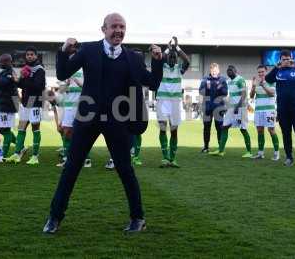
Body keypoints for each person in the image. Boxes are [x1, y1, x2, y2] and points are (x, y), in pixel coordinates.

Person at [43, 13, 163, 234]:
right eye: (114, 26)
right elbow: (62, 72)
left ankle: (138, 218)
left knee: (125, 169)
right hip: (87, 118)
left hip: (118, 121)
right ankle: (54, 218)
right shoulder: (88, 50)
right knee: (71, 168)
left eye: (122, 27)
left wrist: (157, 61)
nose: (118, 30)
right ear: (103, 29)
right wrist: (63, 50)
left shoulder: (133, 58)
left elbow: (153, 83)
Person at [265, 50, 295, 167]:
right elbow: (268, 79)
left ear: (292, 59)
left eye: (288, 59)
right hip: (283, 109)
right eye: (284, 59)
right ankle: (289, 158)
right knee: (286, 133)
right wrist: (276, 68)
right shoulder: (278, 72)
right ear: (280, 60)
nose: (286, 61)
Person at [6, 47, 46, 165]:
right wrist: (15, 80)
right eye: (27, 54)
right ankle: (17, 154)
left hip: (35, 102)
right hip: (25, 102)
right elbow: (23, 86)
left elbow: (39, 86)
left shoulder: (40, 70)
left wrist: (27, 77)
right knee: (21, 128)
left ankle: (35, 156)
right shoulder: (26, 69)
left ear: (36, 56)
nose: (29, 56)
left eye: (31, 54)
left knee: (35, 129)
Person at [156, 36, 190, 168]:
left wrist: (177, 48)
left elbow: (187, 60)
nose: (172, 58)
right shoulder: (161, 68)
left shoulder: (179, 69)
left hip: (175, 102)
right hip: (163, 101)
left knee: (174, 130)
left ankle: (172, 158)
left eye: (174, 56)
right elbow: (158, 59)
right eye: (170, 56)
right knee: (163, 128)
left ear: (177, 59)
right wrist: (167, 49)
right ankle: (165, 158)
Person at [209, 65, 252, 157]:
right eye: (228, 71)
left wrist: (238, 106)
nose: (229, 72)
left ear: (235, 71)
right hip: (231, 108)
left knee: (243, 129)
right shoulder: (229, 81)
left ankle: (249, 152)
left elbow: (244, 94)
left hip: (241, 108)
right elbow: (230, 95)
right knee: (224, 127)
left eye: (231, 70)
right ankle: (221, 151)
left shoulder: (240, 79)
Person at [249, 65, 280, 160]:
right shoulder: (257, 82)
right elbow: (251, 96)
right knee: (259, 130)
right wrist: (253, 87)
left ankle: (276, 153)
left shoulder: (271, 81)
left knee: (271, 130)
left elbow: (272, 93)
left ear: (266, 72)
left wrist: (263, 85)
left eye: (262, 72)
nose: (261, 74)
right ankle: (260, 153)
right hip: (258, 110)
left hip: (269, 110)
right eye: (259, 72)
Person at [199, 63, 227, 153]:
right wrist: (207, 88)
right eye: (212, 71)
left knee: (219, 127)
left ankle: (220, 147)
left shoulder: (222, 80)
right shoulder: (205, 79)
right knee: (207, 127)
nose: (214, 72)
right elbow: (201, 91)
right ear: (210, 71)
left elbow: (225, 92)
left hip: (219, 107)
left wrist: (219, 88)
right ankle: (206, 147)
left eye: (216, 70)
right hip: (207, 107)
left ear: (218, 71)